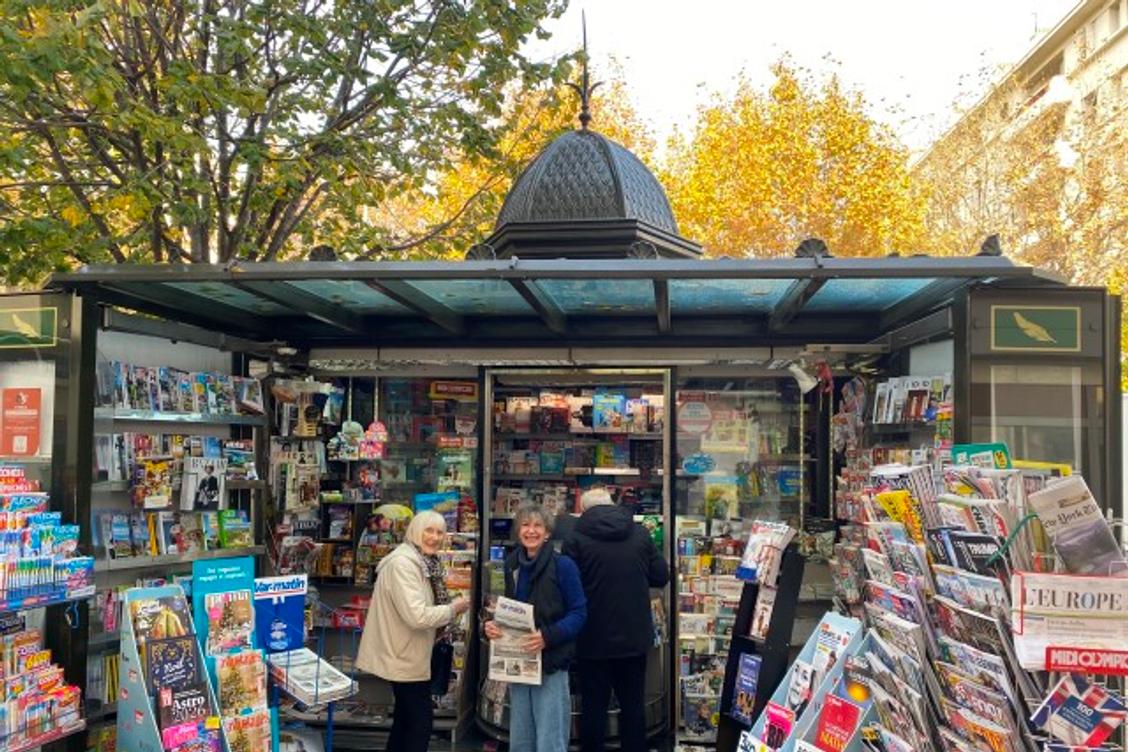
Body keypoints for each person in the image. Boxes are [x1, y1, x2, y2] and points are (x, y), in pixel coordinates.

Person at [563, 487, 669, 752]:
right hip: (634, 636)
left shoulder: (574, 539)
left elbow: (566, 587)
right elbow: (660, 576)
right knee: (633, 706)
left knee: (594, 708)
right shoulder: (640, 534)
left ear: (584, 510)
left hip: (592, 637)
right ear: (612, 504)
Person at [356, 510, 470, 752]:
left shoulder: (422, 561)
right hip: (403, 655)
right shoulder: (404, 565)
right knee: (420, 723)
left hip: (409, 652)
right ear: (415, 532)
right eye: (428, 530)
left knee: (405, 720)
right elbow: (417, 616)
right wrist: (453, 608)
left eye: (440, 532)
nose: (435, 537)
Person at [484, 504, 586, 752]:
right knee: (521, 740)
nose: (531, 531)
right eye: (525, 525)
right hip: (517, 664)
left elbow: (579, 613)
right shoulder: (510, 565)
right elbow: (498, 608)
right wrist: (490, 626)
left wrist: (547, 636)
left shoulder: (564, 566)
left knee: (550, 740)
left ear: (548, 532)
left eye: (538, 525)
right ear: (518, 531)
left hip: (550, 663)